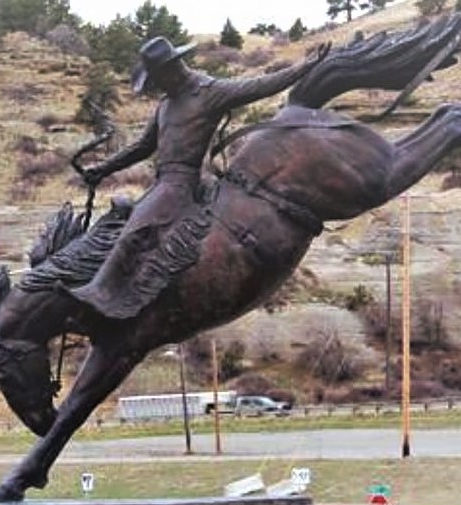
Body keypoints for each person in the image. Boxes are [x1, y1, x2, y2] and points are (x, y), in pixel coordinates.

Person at [69, 36, 330, 319]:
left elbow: (259, 86)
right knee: (119, 219)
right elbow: (144, 146)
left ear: (172, 69)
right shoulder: (166, 105)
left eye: (156, 79)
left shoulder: (209, 91)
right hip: (163, 180)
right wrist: (105, 168)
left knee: (138, 223)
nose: (156, 86)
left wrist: (302, 67)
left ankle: (102, 293)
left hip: (183, 181)